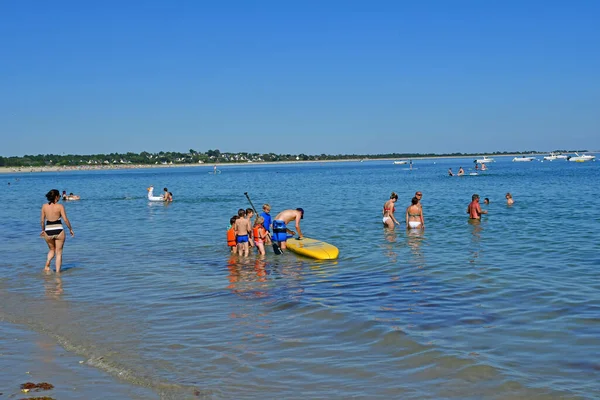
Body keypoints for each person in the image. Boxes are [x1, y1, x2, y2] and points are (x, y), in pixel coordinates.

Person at [40, 189, 74, 273]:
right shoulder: (60, 206)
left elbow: (42, 221)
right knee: (58, 253)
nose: (59, 197)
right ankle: (58, 273)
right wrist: (70, 229)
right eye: (59, 195)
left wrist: (43, 230)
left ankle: (47, 265)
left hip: (48, 230)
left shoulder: (44, 206)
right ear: (56, 197)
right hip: (59, 230)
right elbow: (65, 220)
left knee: (52, 250)